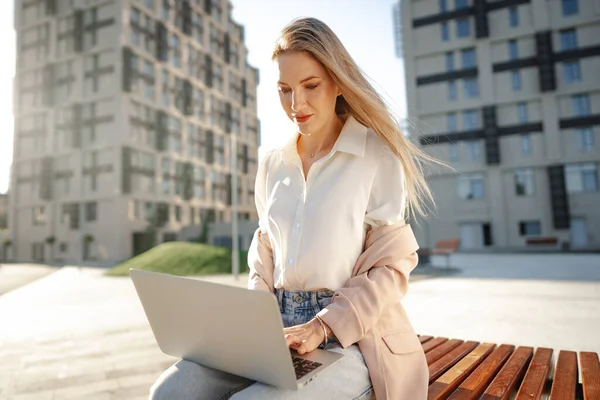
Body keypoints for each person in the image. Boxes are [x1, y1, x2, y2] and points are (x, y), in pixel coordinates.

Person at [149, 17, 441, 400]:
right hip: (275, 332)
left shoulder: (376, 155)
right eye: (284, 89)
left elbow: (392, 267)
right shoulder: (272, 163)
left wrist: (322, 327)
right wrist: (258, 313)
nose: (296, 104)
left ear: (338, 82)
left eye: (310, 86)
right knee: (170, 392)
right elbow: (265, 248)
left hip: (351, 336)